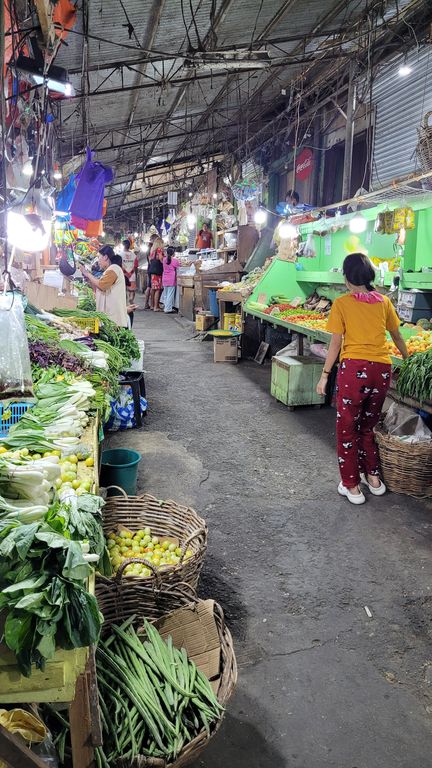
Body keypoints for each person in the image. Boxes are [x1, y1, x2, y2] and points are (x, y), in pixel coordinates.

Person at [316, 252, 408, 505]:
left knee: (347, 428)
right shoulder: (384, 302)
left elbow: (335, 344)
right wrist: (407, 358)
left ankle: (351, 485)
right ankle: (374, 479)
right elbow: (397, 335)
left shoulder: (342, 304)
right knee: (368, 426)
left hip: (354, 372)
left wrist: (325, 376)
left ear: (346, 278)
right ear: (369, 276)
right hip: (382, 371)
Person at [81, 245, 128, 327]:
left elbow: (102, 285)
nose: (98, 261)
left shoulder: (114, 269)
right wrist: (90, 279)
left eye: (99, 257)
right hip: (110, 318)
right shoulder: (110, 270)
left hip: (113, 320)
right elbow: (100, 287)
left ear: (105, 257)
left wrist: (87, 273)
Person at [146, 236, 164, 311]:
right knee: (157, 289)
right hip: (157, 271)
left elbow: (150, 260)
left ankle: (152, 305)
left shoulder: (152, 251)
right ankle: (156, 306)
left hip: (152, 271)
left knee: (153, 289)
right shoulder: (159, 250)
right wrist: (164, 261)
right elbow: (161, 259)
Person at [162, 246, 181, 313]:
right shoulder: (175, 261)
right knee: (170, 294)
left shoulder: (164, 259)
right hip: (171, 279)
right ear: (173, 253)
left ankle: (166, 307)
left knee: (166, 294)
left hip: (164, 278)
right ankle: (168, 309)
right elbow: (179, 267)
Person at [122, 238, 138, 303]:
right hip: (132, 274)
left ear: (123, 246)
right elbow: (135, 265)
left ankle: (124, 302)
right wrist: (130, 273)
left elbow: (119, 264)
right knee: (132, 290)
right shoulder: (134, 255)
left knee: (123, 289)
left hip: (123, 274)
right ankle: (131, 299)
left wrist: (125, 272)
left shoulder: (120, 254)